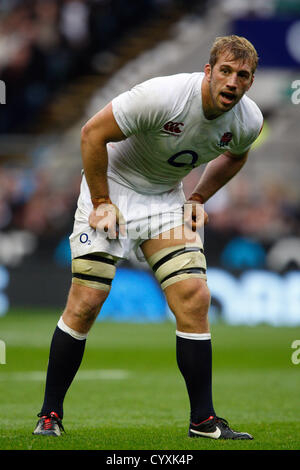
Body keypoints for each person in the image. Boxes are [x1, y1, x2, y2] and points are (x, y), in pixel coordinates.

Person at [33, 35, 263, 439]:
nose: (232, 81)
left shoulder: (248, 121)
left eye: (242, 75)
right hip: (113, 186)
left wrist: (198, 196)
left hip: (165, 200)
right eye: (225, 71)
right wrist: (102, 200)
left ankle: (203, 421)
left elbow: (237, 153)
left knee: (195, 296)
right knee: (87, 300)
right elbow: (91, 133)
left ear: (250, 81)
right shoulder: (162, 95)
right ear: (208, 72)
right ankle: (49, 415)